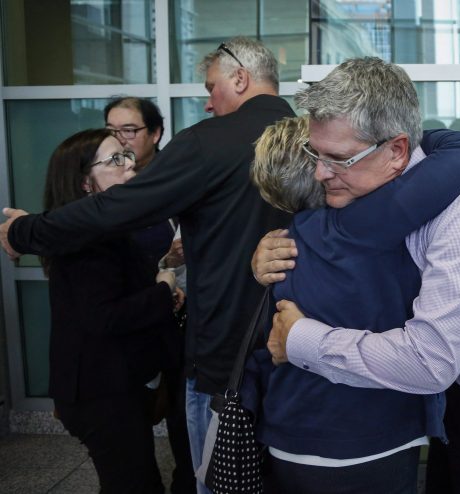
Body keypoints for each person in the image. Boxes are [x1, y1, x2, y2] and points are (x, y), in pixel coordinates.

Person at [253, 57, 460, 494]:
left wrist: (301, 338)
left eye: (337, 159)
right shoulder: (367, 179)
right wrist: (268, 253)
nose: (320, 173)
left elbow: (430, 360)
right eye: (315, 154)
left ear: (396, 150)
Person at [0, 36, 293, 494]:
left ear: (240, 78)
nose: (209, 103)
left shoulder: (209, 142)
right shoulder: (307, 139)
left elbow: (117, 208)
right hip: (293, 343)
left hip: (223, 355)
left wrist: (24, 232)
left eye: (211, 88)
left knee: (219, 479)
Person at [249, 109, 460, 493]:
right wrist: (387, 142)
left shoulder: (287, 239)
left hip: (287, 431)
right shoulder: (366, 224)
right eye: (326, 156)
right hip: (366, 440)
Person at [44, 128, 183, 494]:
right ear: (85, 184)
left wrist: (162, 274)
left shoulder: (106, 227)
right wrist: (163, 287)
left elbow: (115, 290)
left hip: (115, 382)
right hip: (98, 390)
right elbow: (104, 316)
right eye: (114, 160)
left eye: (127, 156)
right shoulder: (84, 238)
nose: (129, 167)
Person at [104, 96, 194, 494]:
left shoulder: (177, 183)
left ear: (155, 134)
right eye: (111, 130)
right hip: (129, 319)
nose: (119, 140)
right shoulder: (104, 189)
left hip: (178, 317)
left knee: (181, 414)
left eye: (129, 130)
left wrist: (176, 263)